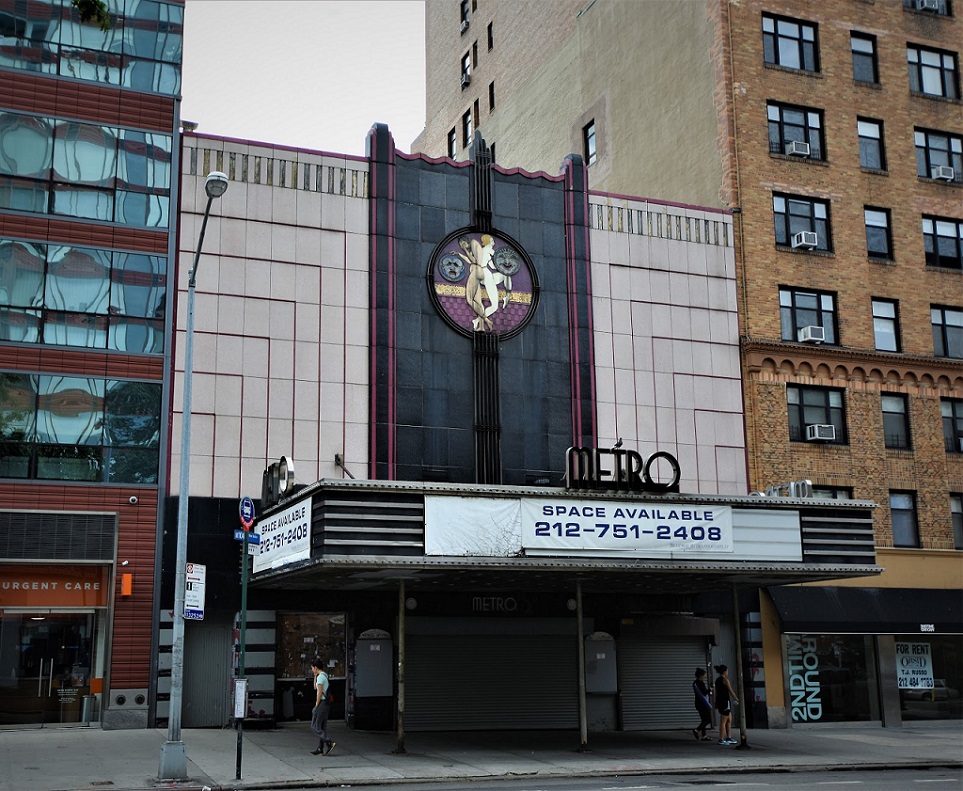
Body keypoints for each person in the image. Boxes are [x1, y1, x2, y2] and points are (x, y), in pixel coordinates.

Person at [309, 658, 336, 755]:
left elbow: (319, 692)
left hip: (322, 703)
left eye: (312, 668)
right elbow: (315, 687)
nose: (312, 670)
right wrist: (315, 676)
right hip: (326, 704)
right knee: (322, 727)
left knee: (314, 726)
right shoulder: (324, 676)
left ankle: (329, 742)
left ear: (315, 667)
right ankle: (320, 747)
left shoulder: (321, 677)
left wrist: (316, 705)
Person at [713, 664, 739, 745]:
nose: (727, 672)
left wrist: (716, 702)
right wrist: (737, 699)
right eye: (727, 670)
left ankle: (729, 737)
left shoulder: (717, 680)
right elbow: (731, 691)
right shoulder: (725, 680)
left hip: (721, 701)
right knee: (723, 721)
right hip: (725, 702)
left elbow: (716, 692)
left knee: (729, 720)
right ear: (725, 671)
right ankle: (721, 739)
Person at [691, 667, 713, 741]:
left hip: (700, 703)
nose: (705, 677)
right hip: (701, 704)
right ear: (701, 675)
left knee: (704, 719)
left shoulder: (698, 683)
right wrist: (710, 689)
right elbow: (703, 693)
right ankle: (697, 730)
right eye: (704, 675)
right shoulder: (698, 684)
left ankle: (704, 735)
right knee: (708, 719)